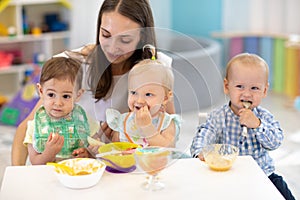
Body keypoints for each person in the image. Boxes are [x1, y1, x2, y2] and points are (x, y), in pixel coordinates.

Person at [12, 0, 175, 165]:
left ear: (143, 37)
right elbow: (26, 129)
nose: (112, 48)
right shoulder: (73, 66)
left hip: (129, 166)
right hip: (75, 167)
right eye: (105, 35)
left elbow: (169, 131)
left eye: (124, 40)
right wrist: (17, 176)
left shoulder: (156, 67)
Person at [190, 53, 295, 200]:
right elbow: (205, 133)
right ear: (227, 87)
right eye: (239, 86)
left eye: (254, 88)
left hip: (263, 174)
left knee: (282, 191)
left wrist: (257, 125)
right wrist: (200, 151)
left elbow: (275, 142)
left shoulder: (264, 117)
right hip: (228, 175)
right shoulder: (219, 116)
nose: (247, 94)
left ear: (264, 91)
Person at [23, 57, 101, 165]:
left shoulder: (82, 119)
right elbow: (35, 162)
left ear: (78, 95)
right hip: (47, 177)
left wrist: (88, 154)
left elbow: (95, 149)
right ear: (41, 91)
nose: (58, 103)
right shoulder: (35, 125)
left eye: (66, 96)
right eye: (51, 95)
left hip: (75, 174)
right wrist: (48, 153)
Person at [106, 45, 180, 147]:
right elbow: (116, 150)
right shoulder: (123, 121)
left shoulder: (167, 123)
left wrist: (147, 128)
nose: (139, 100)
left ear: (165, 98)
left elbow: (168, 149)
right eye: (133, 93)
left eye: (148, 94)